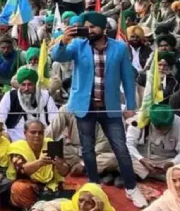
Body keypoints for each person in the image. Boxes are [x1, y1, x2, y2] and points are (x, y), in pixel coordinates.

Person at [50, 11, 147, 208]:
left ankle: (131, 188)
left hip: (109, 108)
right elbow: (57, 56)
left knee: (121, 148)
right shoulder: (78, 45)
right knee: (87, 149)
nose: (89, 30)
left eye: (92, 27)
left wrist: (130, 107)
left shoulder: (119, 48)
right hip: (84, 107)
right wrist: (64, 39)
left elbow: (128, 79)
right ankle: (94, 185)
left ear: (103, 28)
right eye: (86, 27)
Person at [7, 121, 70, 209]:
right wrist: (40, 162)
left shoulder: (50, 144)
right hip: (28, 184)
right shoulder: (17, 147)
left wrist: (59, 165)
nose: (37, 135)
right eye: (33, 132)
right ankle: (34, 207)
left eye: (40, 133)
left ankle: (44, 205)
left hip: (50, 185)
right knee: (18, 187)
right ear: (25, 133)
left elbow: (65, 172)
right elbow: (21, 169)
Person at [127, 104, 180, 180]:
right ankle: (162, 176)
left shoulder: (179, 124)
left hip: (167, 161)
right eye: (159, 128)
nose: (162, 131)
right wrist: (141, 159)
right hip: (143, 160)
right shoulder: (138, 121)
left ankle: (147, 175)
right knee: (121, 158)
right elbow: (128, 144)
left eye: (166, 128)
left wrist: (173, 162)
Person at [0, 67, 59, 142]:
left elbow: (55, 120)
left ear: (35, 85)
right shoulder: (9, 96)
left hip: (41, 139)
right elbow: (0, 119)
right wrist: (5, 134)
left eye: (30, 85)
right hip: (15, 140)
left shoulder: (45, 96)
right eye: (23, 85)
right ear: (19, 85)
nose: (26, 88)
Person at [33, 183, 114, 211]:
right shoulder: (72, 205)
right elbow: (45, 204)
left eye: (88, 202)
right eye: (81, 200)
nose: (82, 206)